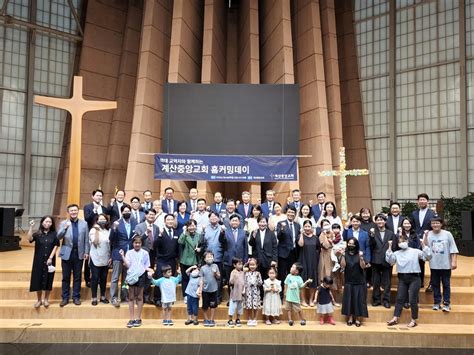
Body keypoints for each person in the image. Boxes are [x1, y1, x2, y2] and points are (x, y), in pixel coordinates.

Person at [386, 232, 432, 328]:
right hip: (402, 278)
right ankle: (395, 318)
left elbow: (427, 257)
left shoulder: (415, 251)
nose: (402, 243)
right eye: (400, 242)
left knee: (412, 300)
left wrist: (423, 245)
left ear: (407, 241)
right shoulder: (397, 253)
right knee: (399, 298)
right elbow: (390, 261)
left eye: (404, 241)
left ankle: (414, 320)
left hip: (414, 278)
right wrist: (389, 247)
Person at [57, 204, 90, 307]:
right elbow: (58, 236)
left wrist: (86, 252)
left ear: (78, 211)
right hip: (67, 253)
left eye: (75, 210)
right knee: (66, 277)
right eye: (71, 211)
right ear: (68, 212)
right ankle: (65, 298)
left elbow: (86, 239)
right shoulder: (64, 223)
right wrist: (64, 228)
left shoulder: (84, 224)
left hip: (79, 253)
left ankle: (76, 297)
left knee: (77, 277)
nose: (73, 212)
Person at [120, 235, 154, 328]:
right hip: (131, 276)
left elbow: (147, 265)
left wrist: (150, 271)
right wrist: (123, 256)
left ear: (141, 243)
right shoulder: (129, 253)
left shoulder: (145, 253)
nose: (137, 244)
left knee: (139, 297)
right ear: (133, 244)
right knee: (131, 297)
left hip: (141, 276)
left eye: (139, 243)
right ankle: (131, 318)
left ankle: (138, 318)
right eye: (135, 243)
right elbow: (127, 265)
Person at [426, 217, 459, 312]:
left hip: (446, 264)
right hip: (434, 264)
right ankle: (436, 302)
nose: (435, 225)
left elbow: (453, 248)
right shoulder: (429, 234)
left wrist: (454, 261)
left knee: (446, 284)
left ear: (441, 224)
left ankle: (446, 303)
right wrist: (425, 236)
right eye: (433, 223)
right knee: (435, 284)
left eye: (437, 223)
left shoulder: (447, 234)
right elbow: (425, 247)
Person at [109, 204, 137, 307]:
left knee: (126, 277)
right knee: (115, 277)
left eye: (128, 211)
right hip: (118, 254)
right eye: (125, 211)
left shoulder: (134, 222)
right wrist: (114, 229)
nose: (127, 213)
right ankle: (113, 297)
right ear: (121, 212)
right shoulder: (116, 223)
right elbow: (111, 239)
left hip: (130, 255)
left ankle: (124, 295)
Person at [28, 216, 59, 308]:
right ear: (42, 223)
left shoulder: (54, 234)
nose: (48, 223)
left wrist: (50, 257)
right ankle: (39, 300)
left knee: (48, 278)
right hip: (38, 260)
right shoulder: (37, 234)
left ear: (52, 224)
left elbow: (56, 245)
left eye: (50, 222)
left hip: (50, 260)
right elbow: (29, 239)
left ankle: (46, 299)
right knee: (38, 278)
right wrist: (31, 227)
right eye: (46, 221)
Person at [369, 213, 397, 308]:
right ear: (375, 222)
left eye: (382, 220)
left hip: (387, 260)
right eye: (378, 220)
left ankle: (386, 300)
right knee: (376, 282)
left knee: (387, 282)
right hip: (375, 260)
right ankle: (376, 300)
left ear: (385, 221)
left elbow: (393, 247)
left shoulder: (391, 233)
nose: (380, 221)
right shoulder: (372, 232)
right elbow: (371, 246)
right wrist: (372, 236)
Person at [341, 237, 369, 327]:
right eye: (349, 243)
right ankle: (350, 318)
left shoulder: (360, 253)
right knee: (349, 300)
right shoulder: (344, 254)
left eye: (353, 243)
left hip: (360, 281)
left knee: (359, 301)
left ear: (356, 244)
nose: (351, 245)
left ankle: (357, 319)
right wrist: (341, 255)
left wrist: (361, 258)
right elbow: (343, 265)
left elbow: (363, 267)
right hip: (349, 281)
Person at [412, 193, 438, 291]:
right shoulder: (414, 213)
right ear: (417, 201)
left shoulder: (433, 213)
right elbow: (412, 226)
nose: (422, 201)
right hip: (417, 240)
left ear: (428, 201)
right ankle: (420, 281)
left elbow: (436, 225)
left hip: (430, 239)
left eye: (424, 199)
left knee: (432, 261)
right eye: (420, 200)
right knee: (419, 261)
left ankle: (432, 283)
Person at [153, 213, 179, 307]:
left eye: (172, 219)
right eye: (168, 220)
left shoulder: (176, 232)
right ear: (164, 221)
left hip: (172, 260)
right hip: (162, 260)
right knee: (160, 279)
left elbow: (178, 247)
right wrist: (159, 235)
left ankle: (168, 298)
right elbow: (155, 245)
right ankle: (157, 299)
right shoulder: (160, 231)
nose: (170, 221)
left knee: (170, 281)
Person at [134, 208, 160, 304]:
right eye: (149, 214)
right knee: (141, 275)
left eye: (153, 215)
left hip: (152, 254)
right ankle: (139, 297)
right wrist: (145, 233)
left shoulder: (156, 227)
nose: (151, 216)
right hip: (142, 254)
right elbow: (136, 240)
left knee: (149, 274)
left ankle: (147, 296)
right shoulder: (139, 226)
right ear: (145, 215)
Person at [201, 211, 227, 302]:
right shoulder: (205, 228)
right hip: (207, 258)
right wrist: (203, 232)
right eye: (211, 217)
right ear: (209, 219)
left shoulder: (222, 228)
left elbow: (225, 242)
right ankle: (208, 297)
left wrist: (223, 232)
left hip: (218, 256)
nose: (213, 218)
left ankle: (218, 297)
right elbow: (202, 242)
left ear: (218, 218)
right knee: (208, 278)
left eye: (215, 217)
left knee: (218, 278)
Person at [83, 189, 106, 288]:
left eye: (100, 196)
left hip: (102, 234)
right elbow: (87, 219)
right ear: (93, 196)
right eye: (97, 195)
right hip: (91, 234)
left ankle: (100, 279)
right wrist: (94, 211)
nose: (99, 197)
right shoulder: (87, 207)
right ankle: (88, 279)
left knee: (101, 254)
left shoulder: (104, 208)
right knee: (89, 257)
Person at [222, 214, 248, 299]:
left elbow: (245, 247)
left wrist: (245, 260)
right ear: (229, 222)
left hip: (240, 261)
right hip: (229, 260)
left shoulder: (243, 232)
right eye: (233, 220)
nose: (234, 222)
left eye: (236, 220)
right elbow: (221, 243)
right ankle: (231, 298)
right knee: (231, 281)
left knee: (241, 281)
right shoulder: (225, 232)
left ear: (239, 222)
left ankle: (241, 298)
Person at [88, 213, 111, 306]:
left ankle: (102, 296)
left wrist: (110, 257)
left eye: (104, 219)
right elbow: (95, 242)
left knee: (104, 278)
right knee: (95, 278)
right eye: (100, 219)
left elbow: (110, 245)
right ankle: (94, 297)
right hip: (96, 257)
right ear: (97, 221)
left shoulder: (108, 231)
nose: (102, 221)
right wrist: (97, 230)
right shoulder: (93, 230)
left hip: (106, 258)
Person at [276, 206, 299, 293]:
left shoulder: (297, 225)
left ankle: (291, 295)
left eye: (293, 212)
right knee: (282, 275)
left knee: (293, 275)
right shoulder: (280, 223)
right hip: (283, 254)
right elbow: (278, 237)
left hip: (294, 253)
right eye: (289, 212)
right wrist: (282, 229)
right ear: (286, 213)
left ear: (295, 214)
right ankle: (281, 296)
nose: (291, 214)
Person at [297, 220, 320, 307]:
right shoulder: (300, 236)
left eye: (308, 226)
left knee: (313, 282)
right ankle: (303, 300)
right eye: (305, 226)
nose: (307, 228)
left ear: (311, 227)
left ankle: (311, 299)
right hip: (303, 261)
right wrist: (302, 234)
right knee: (302, 281)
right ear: (303, 228)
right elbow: (301, 244)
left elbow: (318, 249)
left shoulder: (315, 238)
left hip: (313, 262)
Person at [248, 217, 277, 285]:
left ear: (266, 223)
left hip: (268, 259)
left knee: (267, 278)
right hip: (257, 259)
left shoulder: (271, 233)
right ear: (258, 223)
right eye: (260, 222)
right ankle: (258, 294)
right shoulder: (254, 232)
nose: (262, 224)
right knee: (257, 278)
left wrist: (274, 260)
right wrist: (253, 237)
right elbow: (251, 244)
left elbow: (275, 247)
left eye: (264, 222)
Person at [178, 219, 201, 302]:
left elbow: (203, 245)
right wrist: (184, 232)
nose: (192, 227)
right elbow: (180, 241)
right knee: (185, 279)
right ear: (187, 227)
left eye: (193, 225)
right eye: (190, 226)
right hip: (185, 260)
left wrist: (200, 249)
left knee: (195, 279)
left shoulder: (199, 235)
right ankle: (185, 296)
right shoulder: (184, 234)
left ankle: (194, 295)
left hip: (195, 259)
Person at [200, 251, 220, 327]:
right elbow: (201, 279)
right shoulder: (202, 268)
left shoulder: (215, 266)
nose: (210, 258)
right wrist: (200, 289)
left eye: (211, 256)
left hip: (213, 290)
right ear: (204, 259)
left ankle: (211, 319)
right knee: (205, 306)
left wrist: (216, 274)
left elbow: (219, 277)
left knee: (213, 305)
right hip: (205, 290)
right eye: (208, 257)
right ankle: (206, 319)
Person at [244, 258, 263, 326]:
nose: (252, 266)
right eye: (250, 265)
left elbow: (260, 283)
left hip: (255, 292)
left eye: (253, 265)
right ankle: (249, 319)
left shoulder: (258, 273)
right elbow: (245, 282)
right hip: (248, 292)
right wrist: (246, 263)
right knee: (249, 306)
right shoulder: (246, 273)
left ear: (256, 265)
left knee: (255, 306)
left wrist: (257, 278)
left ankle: (255, 319)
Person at [227, 257, 245, 327]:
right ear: (234, 265)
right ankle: (230, 320)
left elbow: (244, 283)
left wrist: (244, 290)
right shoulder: (233, 272)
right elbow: (230, 282)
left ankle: (238, 319)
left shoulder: (243, 273)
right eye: (239, 264)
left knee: (240, 308)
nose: (241, 265)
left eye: (241, 264)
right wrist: (233, 279)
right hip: (234, 294)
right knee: (232, 307)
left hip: (241, 294)